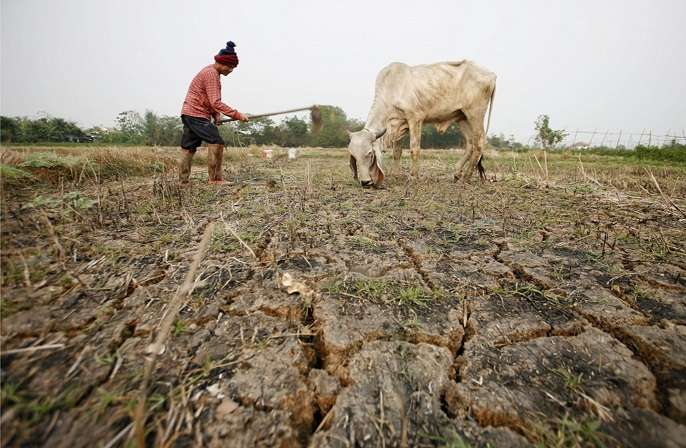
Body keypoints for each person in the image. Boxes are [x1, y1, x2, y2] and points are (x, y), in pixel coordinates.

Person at [179, 41, 249, 184]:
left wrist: (216, 115)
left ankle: (183, 181)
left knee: (188, 147)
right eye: (231, 67)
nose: (231, 70)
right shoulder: (211, 74)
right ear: (223, 64)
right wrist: (237, 114)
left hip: (189, 113)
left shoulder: (210, 71)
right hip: (196, 114)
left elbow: (210, 102)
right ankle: (215, 179)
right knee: (217, 142)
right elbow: (216, 102)